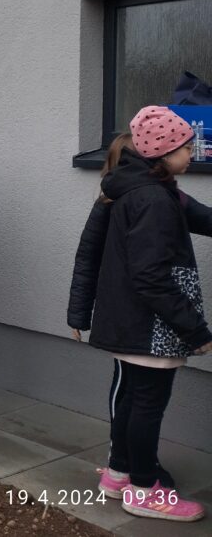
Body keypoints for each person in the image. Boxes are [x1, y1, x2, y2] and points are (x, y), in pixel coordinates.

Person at [70, 107, 211, 522]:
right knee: (147, 404)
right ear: (163, 152)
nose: (192, 155)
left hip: (132, 320)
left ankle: (119, 475)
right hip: (152, 326)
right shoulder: (153, 200)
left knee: (133, 398)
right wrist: (195, 330)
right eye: (186, 148)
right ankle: (145, 491)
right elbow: (151, 276)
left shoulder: (141, 189)